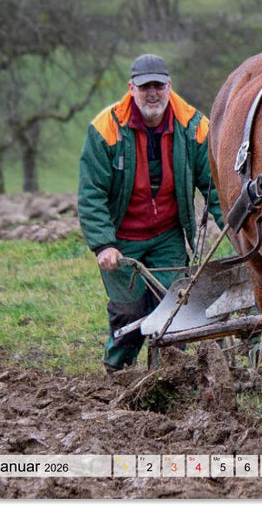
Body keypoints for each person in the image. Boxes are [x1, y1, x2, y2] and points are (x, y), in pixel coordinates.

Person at [78, 54, 223, 372]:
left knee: (174, 311)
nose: (152, 93)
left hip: (167, 236)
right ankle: (117, 374)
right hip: (123, 238)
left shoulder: (194, 126)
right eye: (145, 87)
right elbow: (91, 194)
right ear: (131, 88)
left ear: (169, 87)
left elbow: (215, 185)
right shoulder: (105, 129)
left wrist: (237, 232)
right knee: (129, 314)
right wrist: (103, 244)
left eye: (158, 85)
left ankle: (171, 376)